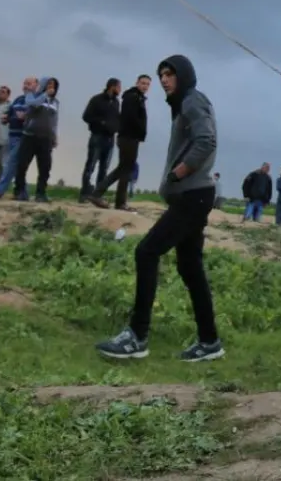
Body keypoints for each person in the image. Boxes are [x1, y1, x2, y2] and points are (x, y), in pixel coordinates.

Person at [96, 54, 224, 362]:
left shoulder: (193, 100)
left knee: (147, 252)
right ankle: (210, 342)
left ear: (184, 76)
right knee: (189, 267)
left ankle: (137, 337)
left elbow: (206, 141)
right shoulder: (184, 103)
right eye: (162, 74)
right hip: (192, 195)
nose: (165, 79)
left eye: (170, 74)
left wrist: (179, 172)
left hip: (193, 195)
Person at [0, 77, 59, 202]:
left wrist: (55, 136)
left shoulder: (55, 102)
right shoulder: (32, 96)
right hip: (29, 136)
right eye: (48, 84)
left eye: (53, 85)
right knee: (22, 165)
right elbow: (33, 104)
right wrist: (45, 95)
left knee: (45, 168)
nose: (51, 87)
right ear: (43, 85)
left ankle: (40, 194)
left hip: (46, 139)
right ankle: (19, 192)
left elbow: (55, 121)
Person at [94, 74, 151, 209]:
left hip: (131, 137)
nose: (145, 86)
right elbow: (130, 118)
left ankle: (118, 201)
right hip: (128, 137)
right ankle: (100, 194)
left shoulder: (138, 98)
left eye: (147, 84)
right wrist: (139, 131)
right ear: (137, 83)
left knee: (125, 169)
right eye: (143, 83)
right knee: (124, 168)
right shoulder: (132, 97)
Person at [0, 76, 39, 200]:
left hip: (24, 137)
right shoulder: (18, 100)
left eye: (29, 84)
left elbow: (38, 118)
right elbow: (10, 114)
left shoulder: (37, 101)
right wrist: (6, 118)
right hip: (12, 136)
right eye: (24, 83)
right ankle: (22, 193)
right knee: (17, 166)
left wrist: (26, 118)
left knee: (11, 162)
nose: (26, 86)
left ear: (36, 86)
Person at [80, 78, 121, 203]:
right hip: (97, 136)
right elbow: (86, 116)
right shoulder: (96, 99)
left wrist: (117, 127)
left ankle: (97, 195)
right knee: (91, 166)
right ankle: (84, 194)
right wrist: (101, 123)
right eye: (118, 87)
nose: (120, 90)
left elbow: (116, 118)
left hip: (110, 139)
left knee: (104, 168)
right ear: (112, 86)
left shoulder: (116, 102)